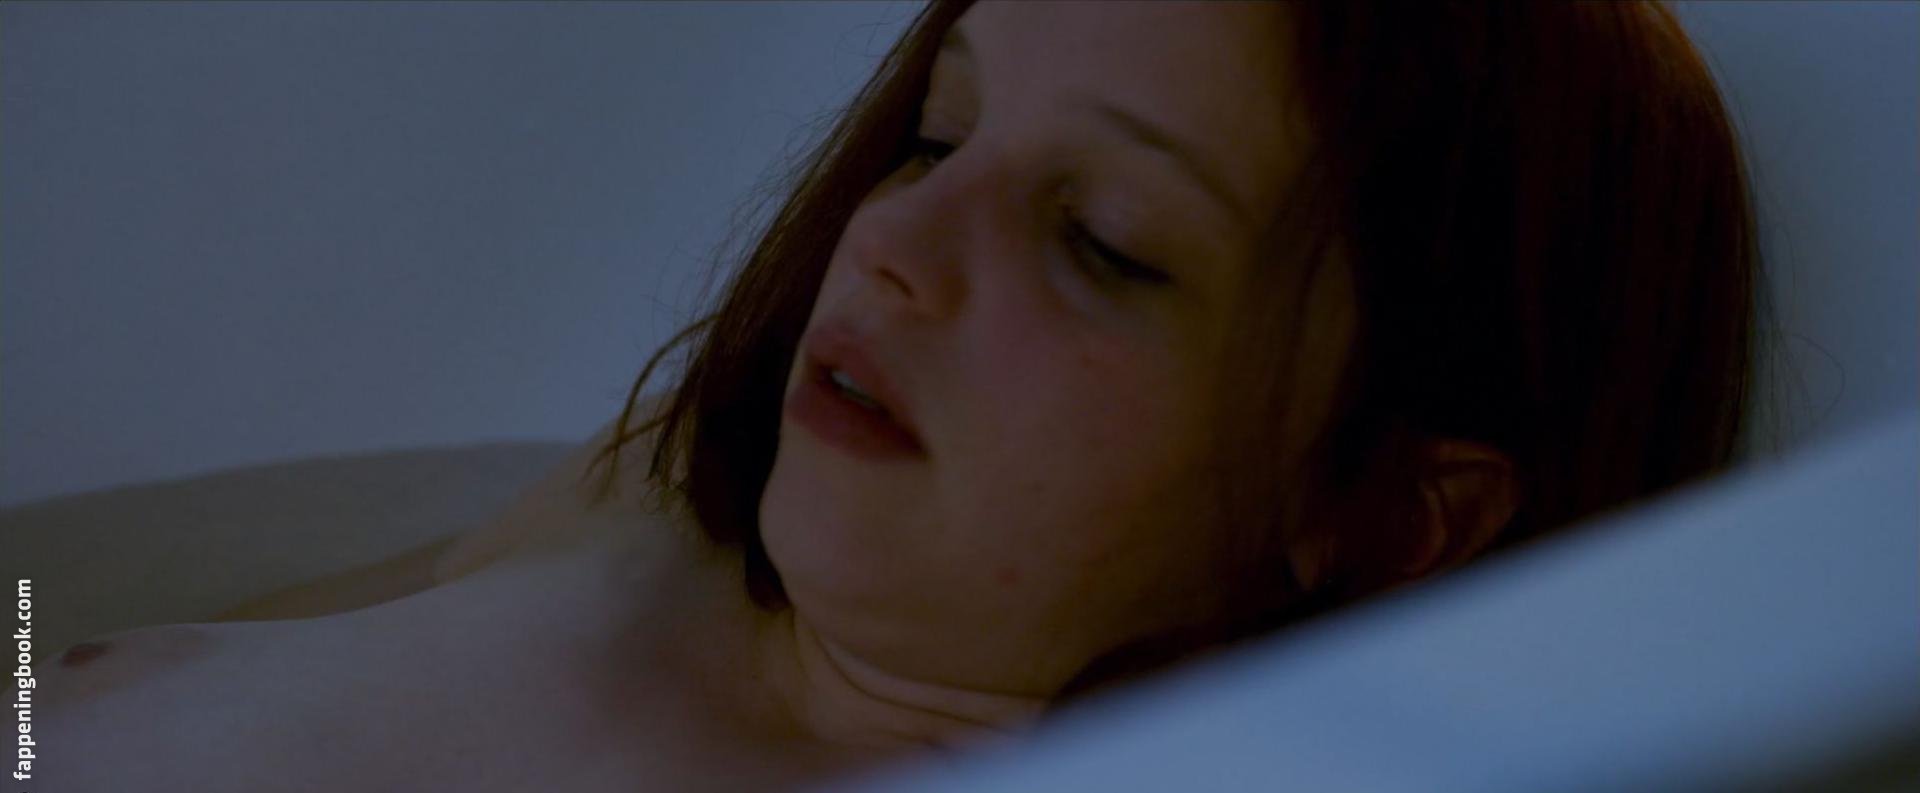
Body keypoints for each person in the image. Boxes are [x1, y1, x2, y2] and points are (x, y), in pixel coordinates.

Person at [34, 1, 1766, 791]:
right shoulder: (646, 507)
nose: (890, 240)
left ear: (1382, 518)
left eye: (1100, 240)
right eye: (939, 133)